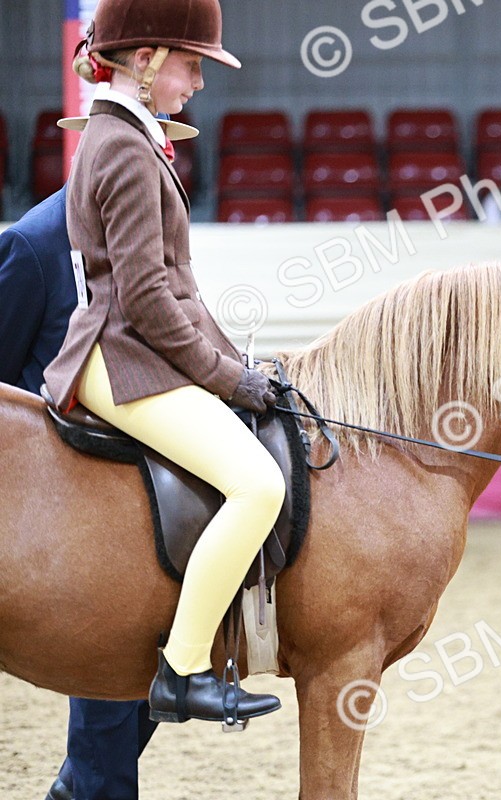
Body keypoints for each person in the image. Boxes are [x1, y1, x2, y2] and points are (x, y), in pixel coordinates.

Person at [42, 0, 285, 725]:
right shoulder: (120, 145)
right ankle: (182, 670)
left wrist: (236, 361)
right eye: (191, 63)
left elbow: (177, 288)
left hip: (135, 348)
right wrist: (227, 378)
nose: (198, 83)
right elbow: (147, 299)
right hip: (122, 359)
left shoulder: (128, 136)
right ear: (145, 60)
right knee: (256, 486)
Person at [1, 187, 161, 800]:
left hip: (140, 494)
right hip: (69, 523)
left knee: (137, 690)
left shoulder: (140, 234)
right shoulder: (33, 244)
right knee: (107, 741)